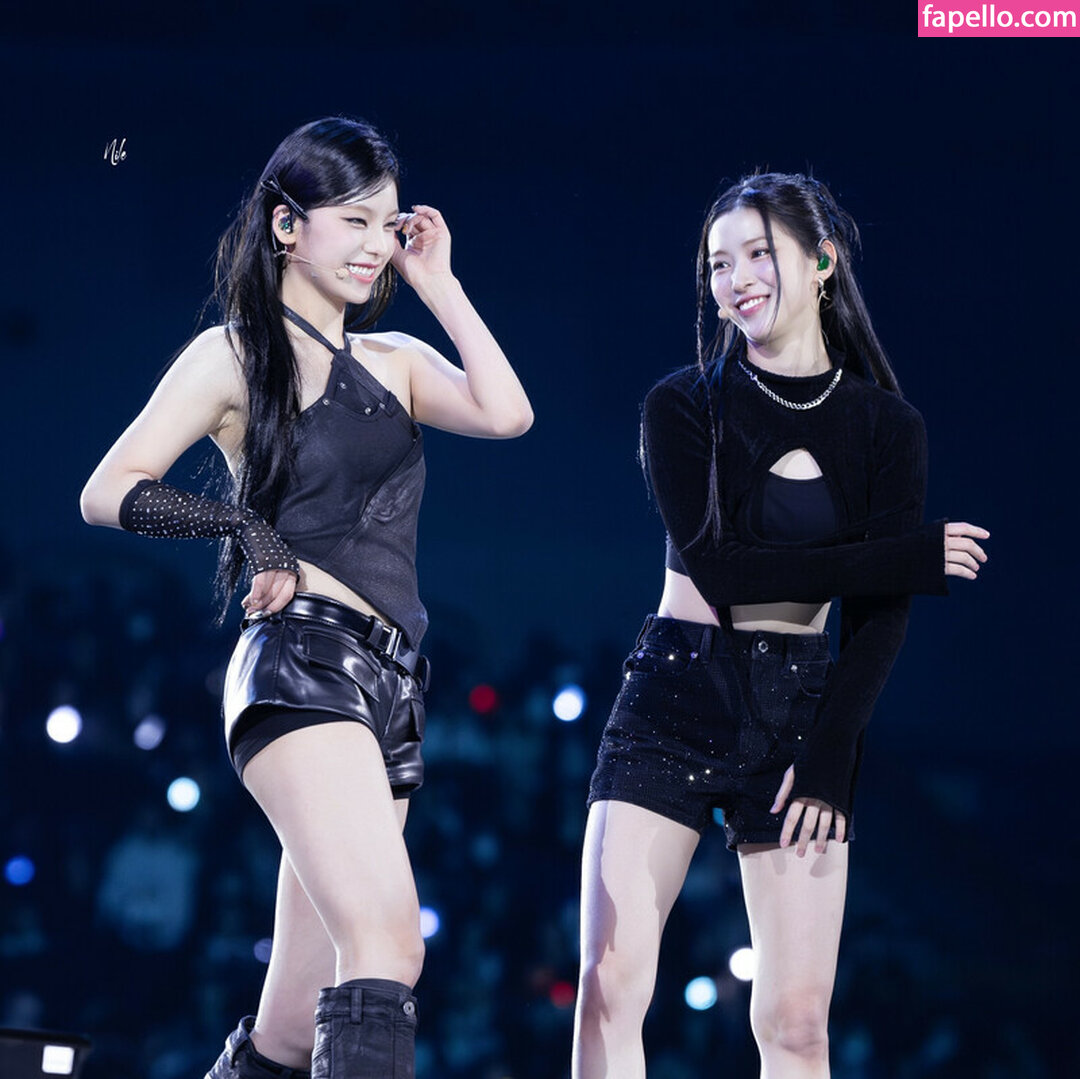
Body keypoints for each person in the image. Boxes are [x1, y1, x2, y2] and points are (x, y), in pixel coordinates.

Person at [81, 116, 532, 1079]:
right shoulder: (236, 353)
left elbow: (508, 413)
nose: (375, 245)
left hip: (394, 690)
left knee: (288, 1030)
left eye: (385, 224)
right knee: (389, 946)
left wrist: (440, 284)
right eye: (353, 221)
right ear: (287, 226)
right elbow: (107, 489)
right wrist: (243, 527)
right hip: (303, 663)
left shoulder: (396, 357)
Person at [572, 172, 988, 1078]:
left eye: (758, 254)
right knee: (608, 983)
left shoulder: (887, 426)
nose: (736, 279)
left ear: (822, 261)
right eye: (718, 264)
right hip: (675, 693)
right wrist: (902, 556)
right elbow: (722, 571)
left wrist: (835, 749)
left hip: (803, 705)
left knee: (797, 1021)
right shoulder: (682, 404)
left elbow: (876, 621)